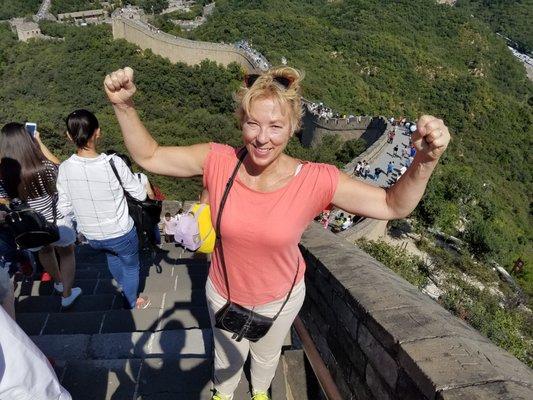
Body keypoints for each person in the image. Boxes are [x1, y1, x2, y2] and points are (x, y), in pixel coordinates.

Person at [103, 66, 450, 400]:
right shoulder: (218, 161)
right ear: (241, 122)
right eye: (253, 123)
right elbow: (150, 155)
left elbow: (392, 205)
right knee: (225, 358)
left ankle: (259, 390)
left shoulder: (316, 180)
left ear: (294, 126)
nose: (262, 138)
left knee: (266, 355)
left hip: (279, 300)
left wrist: (426, 160)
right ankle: (223, 392)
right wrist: (123, 106)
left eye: (275, 126)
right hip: (223, 293)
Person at [56, 109, 150, 310]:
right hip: (121, 231)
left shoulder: (64, 168)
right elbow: (141, 195)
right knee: (131, 266)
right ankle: (132, 301)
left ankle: (125, 288)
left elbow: (64, 207)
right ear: (98, 132)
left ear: (69, 136)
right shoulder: (113, 163)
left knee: (111, 257)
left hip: (92, 236)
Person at [0, 123, 81, 308]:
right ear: (27, 140)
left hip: (30, 228)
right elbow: (60, 167)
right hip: (56, 221)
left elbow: (4, 200)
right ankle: (67, 294)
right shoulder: (44, 167)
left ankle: (59, 282)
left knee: (45, 251)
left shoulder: (3, 175)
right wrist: (39, 142)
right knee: (67, 253)